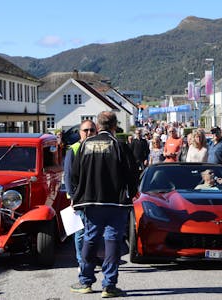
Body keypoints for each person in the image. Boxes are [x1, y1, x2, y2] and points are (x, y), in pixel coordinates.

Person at [70, 111, 138, 298]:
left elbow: (75, 175)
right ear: (115, 126)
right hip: (115, 202)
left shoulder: (84, 146)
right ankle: (109, 285)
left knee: (90, 239)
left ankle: (85, 281)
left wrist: (78, 194)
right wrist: (132, 194)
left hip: (91, 201)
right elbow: (132, 173)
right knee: (112, 240)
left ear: (98, 126)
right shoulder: (119, 145)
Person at [63, 120, 96, 271]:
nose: (89, 133)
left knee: (94, 231)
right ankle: (81, 261)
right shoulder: (74, 149)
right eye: (86, 130)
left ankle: (90, 258)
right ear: (80, 132)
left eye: (92, 130)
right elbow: (68, 175)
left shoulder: (97, 148)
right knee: (81, 231)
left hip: (96, 196)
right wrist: (72, 197)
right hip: (80, 198)